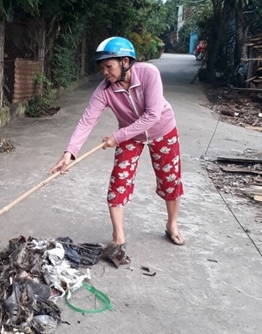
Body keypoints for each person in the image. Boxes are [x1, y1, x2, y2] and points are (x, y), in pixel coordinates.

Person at [49, 36, 185, 248]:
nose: (104, 72)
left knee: (170, 180)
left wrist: (117, 137)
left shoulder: (149, 74)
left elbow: (152, 115)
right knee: (118, 184)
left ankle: (172, 224)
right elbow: (87, 121)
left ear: (125, 61)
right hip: (131, 136)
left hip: (162, 130)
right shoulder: (104, 90)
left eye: (108, 66)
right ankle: (118, 236)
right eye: (102, 67)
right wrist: (69, 154)